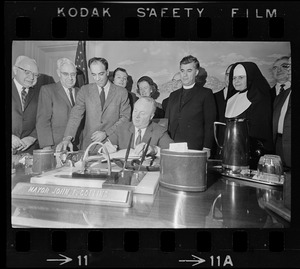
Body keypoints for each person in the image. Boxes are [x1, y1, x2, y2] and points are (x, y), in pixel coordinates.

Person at [56, 57, 131, 153]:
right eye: (93, 75)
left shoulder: (121, 92)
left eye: (101, 74)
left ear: (107, 72)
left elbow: (125, 118)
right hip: (89, 146)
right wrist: (67, 138)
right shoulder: (85, 90)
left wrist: (106, 133)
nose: (97, 78)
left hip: (112, 144)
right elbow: (75, 115)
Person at [165, 55, 216, 157]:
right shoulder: (173, 95)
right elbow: (167, 121)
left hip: (195, 147)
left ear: (196, 72)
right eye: (182, 70)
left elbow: (210, 124)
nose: (185, 75)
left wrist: (207, 147)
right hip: (173, 145)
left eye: (189, 70)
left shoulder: (205, 94)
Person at [225, 62, 273, 167]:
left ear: (250, 77)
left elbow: (260, 133)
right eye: (234, 78)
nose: (236, 81)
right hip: (231, 154)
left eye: (241, 77)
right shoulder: (232, 98)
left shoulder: (260, 99)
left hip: (251, 156)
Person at [36, 58, 83, 150]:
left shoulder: (81, 92)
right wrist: (47, 147)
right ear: (58, 73)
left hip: (79, 146)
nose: (70, 78)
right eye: (65, 74)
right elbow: (43, 121)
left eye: (73, 74)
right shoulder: (48, 90)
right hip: (56, 146)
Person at [107, 96, 173, 156]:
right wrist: (104, 149)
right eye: (135, 111)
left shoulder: (159, 131)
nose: (137, 116)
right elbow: (103, 146)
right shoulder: (122, 128)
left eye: (142, 113)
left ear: (151, 116)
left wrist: (154, 149)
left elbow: (172, 151)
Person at [12, 56, 40, 154]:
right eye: (27, 72)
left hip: (29, 151)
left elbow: (43, 120)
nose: (32, 77)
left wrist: (32, 137)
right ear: (15, 70)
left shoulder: (40, 93)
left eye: (35, 74)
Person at [272, 56, 291, 169]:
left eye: (284, 66)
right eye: (275, 68)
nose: (279, 70)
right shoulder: (279, 96)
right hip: (277, 145)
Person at [212, 64, 233, 158]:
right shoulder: (213, 97)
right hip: (214, 148)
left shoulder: (245, 99)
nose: (230, 78)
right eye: (228, 74)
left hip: (234, 148)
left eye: (233, 75)